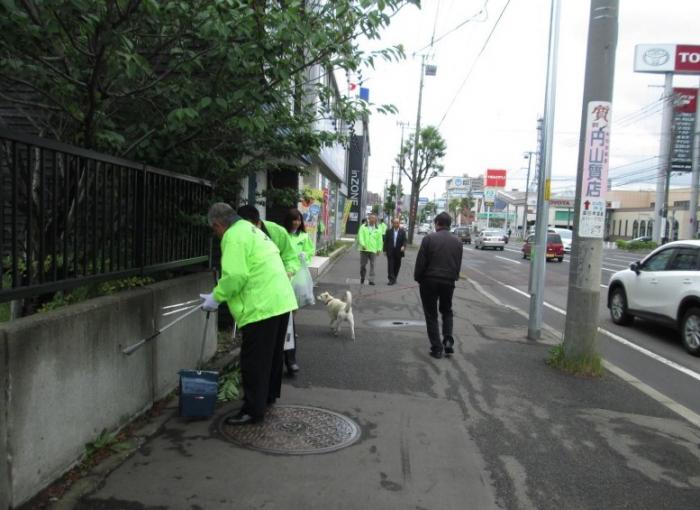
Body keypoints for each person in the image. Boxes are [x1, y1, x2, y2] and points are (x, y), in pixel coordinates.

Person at [201, 203, 298, 425]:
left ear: (217, 224)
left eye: (214, 229)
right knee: (272, 357)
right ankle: (268, 396)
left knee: (254, 360)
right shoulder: (251, 229)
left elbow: (236, 276)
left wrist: (216, 297)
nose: (215, 234)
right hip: (281, 300)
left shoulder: (233, 236)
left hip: (261, 305)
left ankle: (253, 410)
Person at [414, 212, 463, 359]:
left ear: (437, 223)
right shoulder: (458, 242)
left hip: (429, 281)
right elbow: (457, 264)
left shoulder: (428, 239)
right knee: (447, 310)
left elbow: (421, 262)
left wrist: (418, 278)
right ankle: (447, 340)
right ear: (449, 224)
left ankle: (437, 348)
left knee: (431, 314)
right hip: (448, 281)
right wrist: (454, 277)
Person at [283, 208, 315, 374]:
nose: (296, 222)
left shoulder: (303, 236)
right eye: (294, 220)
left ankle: (290, 328)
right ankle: (289, 329)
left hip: (298, 273)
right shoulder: (282, 235)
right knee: (287, 304)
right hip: (284, 273)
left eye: (299, 220)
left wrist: (305, 257)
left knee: (293, 304)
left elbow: (310, 251)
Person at [357, 213, 382, 285]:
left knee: (373, 265)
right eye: (371, 218)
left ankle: (371, 280)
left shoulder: (378, 229)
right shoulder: (363, 227)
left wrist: (379, 249)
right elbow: (360, 236)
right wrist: (363, 244)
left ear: (376, 220)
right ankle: (362, 277)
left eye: (374, 218)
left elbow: (379, 240)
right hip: (364, 249)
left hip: (373, 249)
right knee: (363, 265)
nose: (372, 220)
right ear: (369, 219)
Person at [383, 217, 406, 285]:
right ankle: (391, 279)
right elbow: (386, 241)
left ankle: (394, 277)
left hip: (399, 251)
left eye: (397, 223)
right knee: (390, 265)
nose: (396, 224)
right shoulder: (388, 231)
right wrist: (384, 250)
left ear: (399, 223)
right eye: (395, 223)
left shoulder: (402, 232)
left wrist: (403, 246)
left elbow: (405, 240)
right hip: (390, 251)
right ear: (392, 223)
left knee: (397, 265)